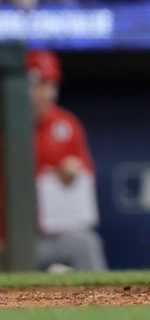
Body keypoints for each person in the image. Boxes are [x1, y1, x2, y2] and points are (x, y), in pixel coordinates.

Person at [27, 50, 107, 271]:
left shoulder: (66, 124)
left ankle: (102, 305)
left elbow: (83, 175)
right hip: (9, 237)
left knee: (85, 243)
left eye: (52, 86)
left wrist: (72, 171)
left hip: (50, 234)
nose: (47, 94)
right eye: (39, 85)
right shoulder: (7, 124)